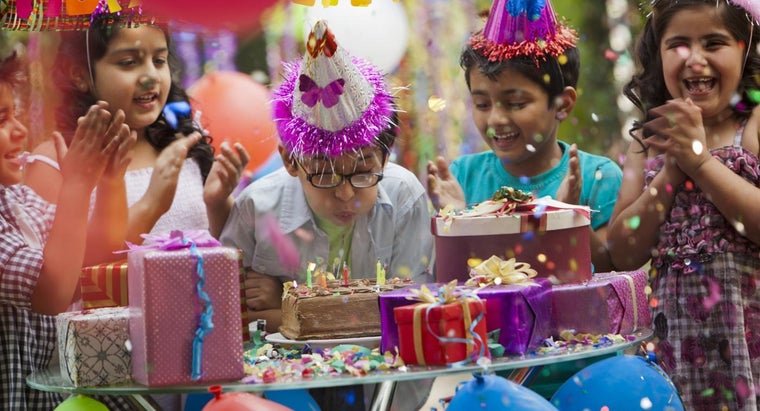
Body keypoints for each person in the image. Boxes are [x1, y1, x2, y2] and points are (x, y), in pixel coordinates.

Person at [220, 20, 435, 411]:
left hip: (384, 389)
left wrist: (284, 306)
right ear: (290, 161)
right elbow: (226, 323)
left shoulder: (405, 199)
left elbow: (412, 315)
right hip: (282, 393)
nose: (345, 191)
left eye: (364, 168)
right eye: (322, 172)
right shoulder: (256, 209)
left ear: (386, 155)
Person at [607, 0, 760, 409]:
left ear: (744, 48)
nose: (695, 59)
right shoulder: (646, 141)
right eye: (678, 44)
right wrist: (672, 174)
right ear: (658, 54)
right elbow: (622, 251)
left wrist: (700, 162)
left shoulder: (754, 124)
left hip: (751, 352)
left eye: (714, 43)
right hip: (675, 360)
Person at [23, 8, 249, 266]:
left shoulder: (183, 143)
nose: (151, 76)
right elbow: (55, 282)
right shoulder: (55, 160)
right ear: (80, 74)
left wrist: (218, 203)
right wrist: (152, 203)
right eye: (129, 62)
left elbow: (222, 256)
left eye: (159, 60)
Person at [426, 0, 622, 273]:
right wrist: (457, 220)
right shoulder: (463, 178)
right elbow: (448, 281)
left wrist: (569, 217)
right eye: (482, 104)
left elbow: (612, 270)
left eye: (516, 103)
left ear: (562, 104)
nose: (495, 119)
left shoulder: (598, 177)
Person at [0, 51, 135, 409]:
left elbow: (92, 257)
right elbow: (53, 291)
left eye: (15, 114)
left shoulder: (14, 199)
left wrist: (108, 182)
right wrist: (75, 185)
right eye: (2, 119)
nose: (20, 130)